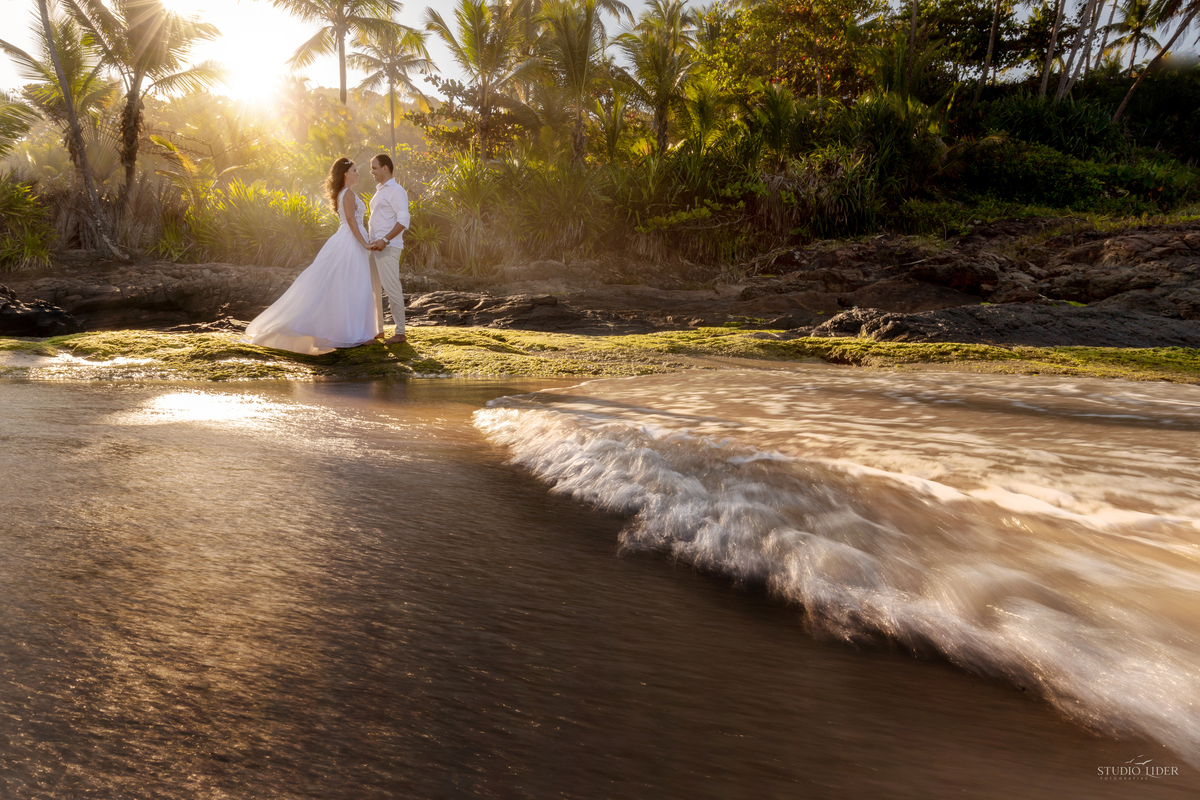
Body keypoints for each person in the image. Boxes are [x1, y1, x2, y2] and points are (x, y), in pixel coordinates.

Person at [243, 157, 383, 355]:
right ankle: (355, 334)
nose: (358, 173)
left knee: (348, 284)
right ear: (346, 174)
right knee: (354, 284)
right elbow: (351, 220)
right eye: (355, 170)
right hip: (351, 242)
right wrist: (364, 243)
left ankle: (356, 332)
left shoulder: (343, 193)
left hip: (348, 240)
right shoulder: (348, 193)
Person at [366, 153, 410, 345]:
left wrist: (385, 240)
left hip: (388, 247)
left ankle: (400, 333)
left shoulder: (396, 191)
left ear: (385, 168)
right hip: (374, 247)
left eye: (374, 167)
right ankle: (378, 330)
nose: (371, 172)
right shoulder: (380, 191)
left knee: (392, 290)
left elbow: (403, 221)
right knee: (374, 290)